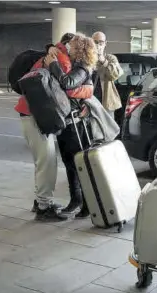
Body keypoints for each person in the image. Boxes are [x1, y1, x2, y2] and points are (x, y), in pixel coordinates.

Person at [15, 32, 93, 221]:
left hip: (31, 113)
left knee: (42, 162)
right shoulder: (61, 60)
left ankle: (42, 201)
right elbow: (65, 90)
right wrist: (87, 92)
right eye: (72, 45)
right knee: (47, 163)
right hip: (37, 117)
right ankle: (43, 208)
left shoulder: (51, 54)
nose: (72, 49)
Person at [44, 33, 98, 219]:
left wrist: (53, 65)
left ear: (81, 50)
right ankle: (77, 200)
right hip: (69, 122)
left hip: (76, 125)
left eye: (73, 47)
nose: (70, 49)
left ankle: (86, 203)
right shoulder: (77, 65)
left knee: (78, 164)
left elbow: (67, 83)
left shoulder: (82, 68)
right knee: (70, 163)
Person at [91, 31, 124, 122]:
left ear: (105, 43)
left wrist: (103, 60)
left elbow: (115, 75)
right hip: (90, 101)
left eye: (101, 42)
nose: (98, 45)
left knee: (108, 130)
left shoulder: (110, 58)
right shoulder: (87, 58)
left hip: (106, 101)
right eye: (95, 42)